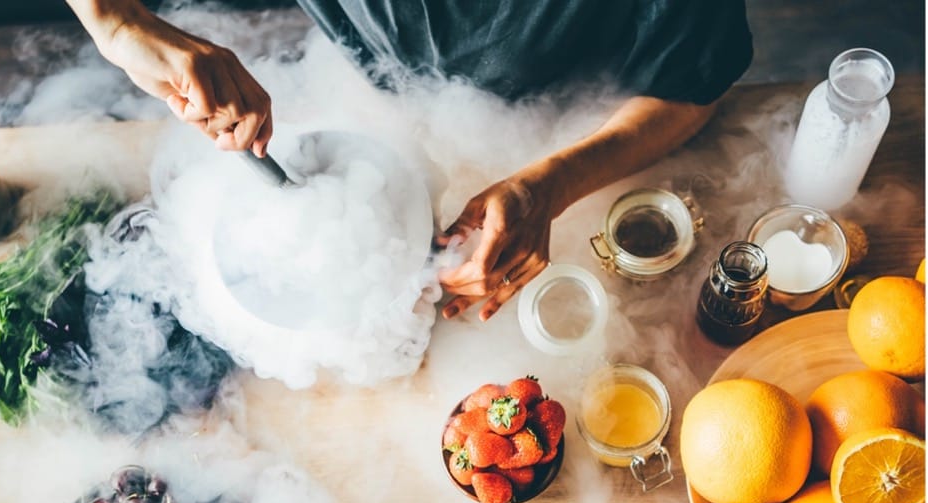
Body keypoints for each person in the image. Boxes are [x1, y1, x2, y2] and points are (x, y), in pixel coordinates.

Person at [65, 0, 753, 321]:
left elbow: (692, 86)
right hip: (371, 80)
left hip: (573, 105)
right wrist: (116, 22)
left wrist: (555, 181)